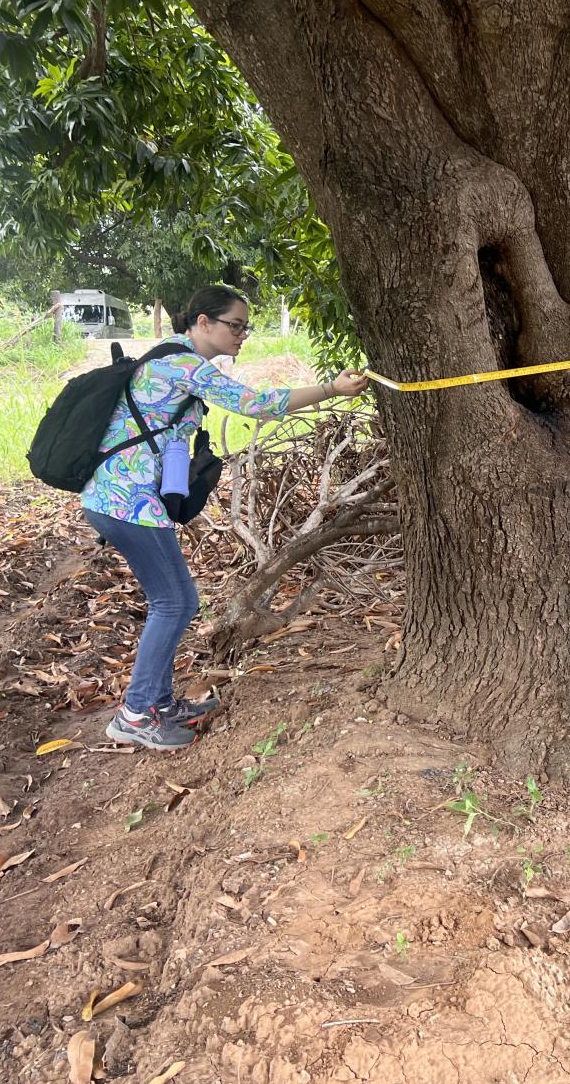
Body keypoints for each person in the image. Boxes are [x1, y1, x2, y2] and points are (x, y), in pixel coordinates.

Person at [82, 285, 369, 750]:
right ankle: (135, 713)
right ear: (202, 322)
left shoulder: (172, 360)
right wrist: (332, 388)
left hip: (123, 499)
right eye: (235, 325)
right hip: (124, 501)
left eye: (246, 327)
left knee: (176, 601)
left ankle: (157, 702)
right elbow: (254, 404)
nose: (242, 335)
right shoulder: (181, 364)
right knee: (174, 603)